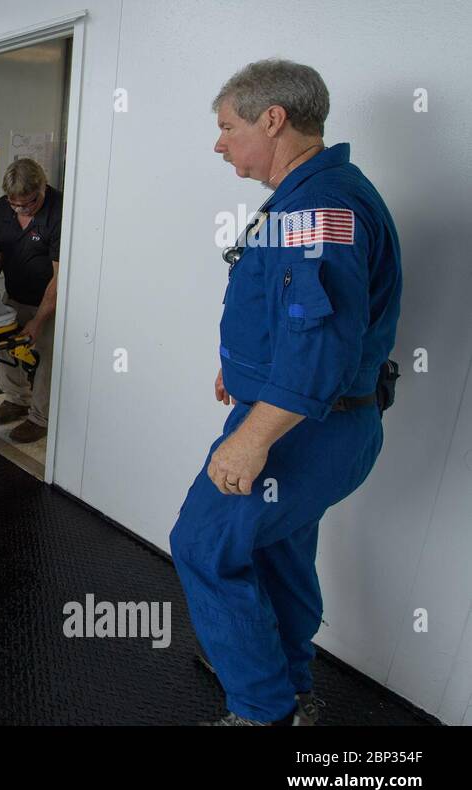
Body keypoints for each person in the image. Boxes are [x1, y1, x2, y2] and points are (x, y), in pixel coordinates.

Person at [170, 59, 402, 726]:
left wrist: (251, 436)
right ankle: (285, 677)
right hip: (322, 419)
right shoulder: (313, 195)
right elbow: (300, 316)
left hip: (307, 428)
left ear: (273, 120)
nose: (219, 143)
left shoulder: (319, 208)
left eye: (227, 126)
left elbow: (321, 344)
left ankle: (263, 709)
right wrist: (243, 368)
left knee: (202, 544)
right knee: (276, 545)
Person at [0, 158, 62, 444]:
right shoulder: (0, 209)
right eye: (14, 203)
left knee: (46, 358)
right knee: (7, 349)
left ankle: (40, 417)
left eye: (28, 203)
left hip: (49, 298)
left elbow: (60, 277)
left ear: (42, 188)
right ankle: (16, 399)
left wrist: (38, 320)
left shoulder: (60, 212)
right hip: (13, 294)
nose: (20, 209)